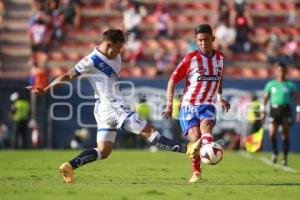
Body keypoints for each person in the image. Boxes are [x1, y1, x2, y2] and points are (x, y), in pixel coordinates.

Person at [26, 29, 195, 183]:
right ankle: (187, 149)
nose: (120, 52)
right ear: (108, 44)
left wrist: (124, 35)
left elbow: (119, 35)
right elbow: (68, 76)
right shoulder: (92, 60)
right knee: (149, 131)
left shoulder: (115, 53)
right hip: (115, 106)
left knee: (104, 151)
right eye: (118, 48)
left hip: (103, 109)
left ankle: (69, 166)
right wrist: (47, 89)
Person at [162, 24, 230, 183]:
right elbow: (172, 80)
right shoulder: (190, 58)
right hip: (188, 105)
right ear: (196, 41)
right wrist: (169, 104)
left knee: (206, 127)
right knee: (195, 138)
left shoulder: (220, 58)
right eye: (199, 40)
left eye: (206, 39)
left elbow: (219, 79)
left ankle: (210, 152)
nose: (203, 43)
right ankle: (197, 171)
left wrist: (220, 98)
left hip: (208, 103)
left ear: (212, 39)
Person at [261, 62, 300, 166]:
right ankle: (275, 152)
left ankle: (285, 157)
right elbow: (265, 99)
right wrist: (263, 111)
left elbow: (297, 98)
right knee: (272, 134)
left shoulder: (290, 85)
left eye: (283, 71)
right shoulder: (271, 84)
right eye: (279, 71)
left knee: (285, 135)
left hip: (286, 110)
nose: (281, 73)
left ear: (285, 72)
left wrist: (298, 111)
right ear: (276, 71)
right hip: (274, 110)